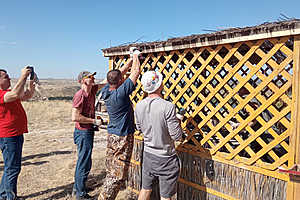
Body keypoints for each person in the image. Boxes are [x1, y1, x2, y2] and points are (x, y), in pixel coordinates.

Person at [134, 71, 184, 200]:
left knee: (145, 190)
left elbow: (139, 128)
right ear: (160, 85)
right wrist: (178, 121)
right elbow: (176, 136)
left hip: (148, 155)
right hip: (166, 158)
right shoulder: (168, 107)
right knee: (166, 197)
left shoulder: (139, 106)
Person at [98, 52, 141, 200]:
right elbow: (135, 73)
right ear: (121, 80)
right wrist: (135, 56)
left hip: (112, 135)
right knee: (118, 175)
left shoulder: (106, 91)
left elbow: (117, 75)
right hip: (122, 137)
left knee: (111, 170)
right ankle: (105, 198)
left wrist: (129, 60)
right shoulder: (121, 94)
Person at [0, 67, 36, 200]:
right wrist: (23, 76)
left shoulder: (7, 92)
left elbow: (26, 96)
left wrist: (31, 83)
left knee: (11, 167)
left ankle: (5, 195)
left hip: (14, 134)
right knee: (13, 168)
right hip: (8, 135)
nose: (9, 78)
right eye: (6, 77)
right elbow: (15, 95)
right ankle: (10, 197)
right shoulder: (2, 94)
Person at [71, 71, 104, 200]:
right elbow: (75, 117)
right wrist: (94, 121)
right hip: (83, 132)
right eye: (90, 77)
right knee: (83, 161)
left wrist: (130, 61)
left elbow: (107, 81)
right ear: (83, 80)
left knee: (86, 160)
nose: (93, 78)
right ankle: (80, 193)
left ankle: (80, 187)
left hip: (87, 131)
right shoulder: (80, 95)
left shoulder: (92, 90)